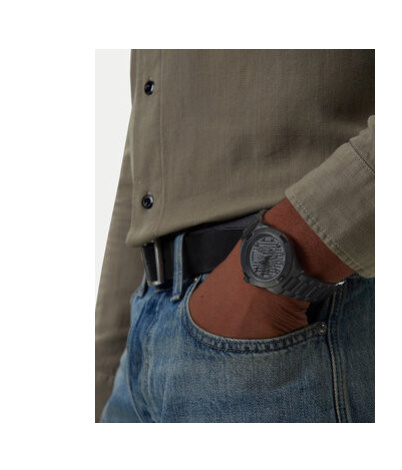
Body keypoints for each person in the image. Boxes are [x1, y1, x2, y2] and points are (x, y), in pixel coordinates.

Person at [96, 49, 375, 423]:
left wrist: (281, 267)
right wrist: (102, 375)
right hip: (138, 353)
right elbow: (143, 185)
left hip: (289, 329)